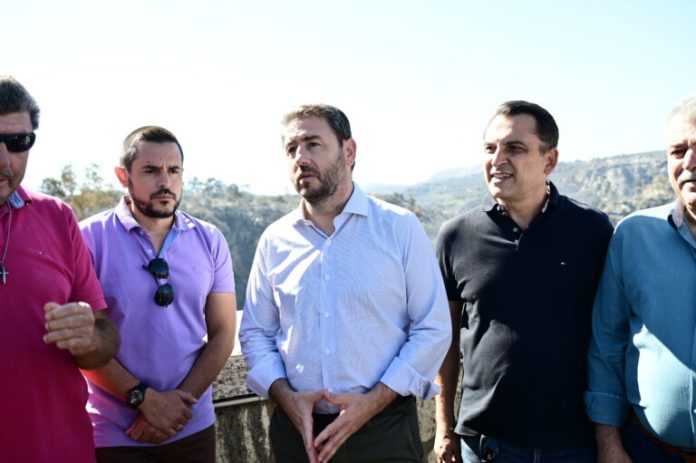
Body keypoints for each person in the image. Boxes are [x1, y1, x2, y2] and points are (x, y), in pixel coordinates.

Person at [239, 104, 451, 463]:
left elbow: (433, 327)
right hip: (298, 432)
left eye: (313, 144)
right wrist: (287, 398)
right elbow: (256, 332)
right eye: (291, 149)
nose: (300, 158)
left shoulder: (399, 228)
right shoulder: (274, 240)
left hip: (383, 431)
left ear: (348, 151)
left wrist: (373, 402)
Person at [434, 100, 614, 463]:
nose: (497, 159)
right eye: (490, 148)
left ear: (550, 160)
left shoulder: (592, 230)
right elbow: (444, 340)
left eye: (514, 148)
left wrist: (609, 434)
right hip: (486, 444)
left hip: (574, 443)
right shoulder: (456, 236)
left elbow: (612, 333)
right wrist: (444, 426)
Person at [79, 126, 237, 462]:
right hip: (114, 434)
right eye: (150, 171)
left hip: (191, 428)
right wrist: (144, 400)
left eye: (174, 170)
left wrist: (176, 408)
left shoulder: (210, 239)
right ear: (123, 176)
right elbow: (86, 341)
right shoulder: (88, 239)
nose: (165, 181)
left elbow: (224, 332)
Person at [0, 76, 119, 462]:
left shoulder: (57, 217)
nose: (4, 161)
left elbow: (104, 339)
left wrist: (90, 339)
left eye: (18, 142)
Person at [585, 96, 696, 463]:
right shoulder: (633, 236)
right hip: (648, 451)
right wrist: (608, 443)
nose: (689, 163)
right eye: (678, 151)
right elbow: (607, 344)